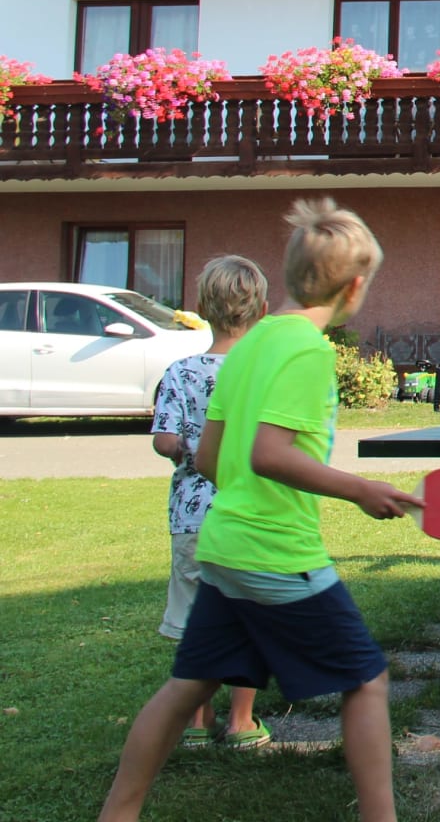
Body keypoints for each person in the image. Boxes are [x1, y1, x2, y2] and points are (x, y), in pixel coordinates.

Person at [98, 199, 416, 822]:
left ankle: (118, 813)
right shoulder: (308, 352)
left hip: (222, 547)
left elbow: (210, 458)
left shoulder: (248, 346)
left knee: (186, 687)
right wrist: (359, 489)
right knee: (365, 681)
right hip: (276, 553)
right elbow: (269, 455)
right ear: (355, 287)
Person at [149, 255, 272, 750]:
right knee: (247, 614)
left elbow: (164, 439)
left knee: (193, 619)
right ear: (262, 309)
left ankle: (197, 722)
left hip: (192, 517)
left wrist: (185, 449)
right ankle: (242, 721)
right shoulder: (264, 374)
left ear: (201, 308)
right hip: (251, 515)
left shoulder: (180, 372)